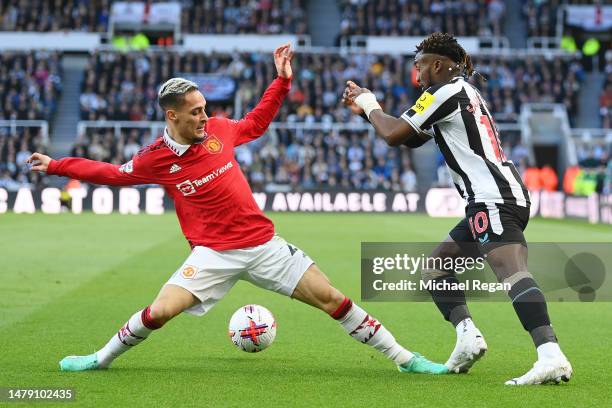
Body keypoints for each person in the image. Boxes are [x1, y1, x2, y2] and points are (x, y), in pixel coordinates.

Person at [28, 44, 447, 375]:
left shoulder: (219, 131)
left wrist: (281, 83)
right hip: (211, 255)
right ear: (171, 116)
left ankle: (406, 358)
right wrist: (56, 165)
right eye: (195, 112)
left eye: (205, 108)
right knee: (159, 311)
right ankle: (99, 359)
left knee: (334, 299)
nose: (205, 117)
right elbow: (108, 172)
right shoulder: (155, 159)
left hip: (264, 245)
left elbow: (257, 122)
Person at [342, 33, 572, 385]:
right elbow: (410, 137)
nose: (416, 74)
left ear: (437, 65)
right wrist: (367, 114)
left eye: (419, 66)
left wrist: (370, 102)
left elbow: (392, 134)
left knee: (511, 273)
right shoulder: (460, 92)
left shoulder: (444, 92)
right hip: (492, 197)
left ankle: (551, 354)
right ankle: (468, 339)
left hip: (492, 198)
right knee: (436, 269)